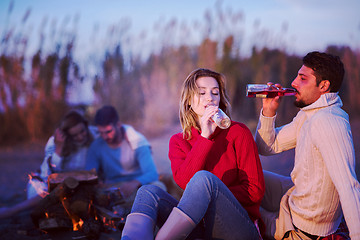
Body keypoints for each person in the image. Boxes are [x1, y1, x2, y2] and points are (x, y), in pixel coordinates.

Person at [121, 68, 265, 240]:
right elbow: (184, 181)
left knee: (204, 180)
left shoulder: (238, 132)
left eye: (215, 93)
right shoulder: (178, 141)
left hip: (238, 226)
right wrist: (205, 137)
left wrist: (212, 194)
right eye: (201, 92)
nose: (210, 97)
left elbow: (255, 191)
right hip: (199, 225)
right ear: (189, 100)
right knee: (147, 192)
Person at [255, 51, 360, 239]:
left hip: (301, 228)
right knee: (245, 176)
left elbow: (349, 187)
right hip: (295, 197)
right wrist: (268, 111)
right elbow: (268, 146)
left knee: (239, 205)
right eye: (297, 76)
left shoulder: (328, 122)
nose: (294, 82)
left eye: (303, 78)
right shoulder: (310, 113)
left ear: (324, 86)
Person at [0, 110, 97, 218]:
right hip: (45, 185)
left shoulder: (92, 135)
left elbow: (111, 127)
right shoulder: (54, 142)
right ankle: (12, 210)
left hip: (75, 186)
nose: (80, 137)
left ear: (86, 127)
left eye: (82, 132)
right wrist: (59, 148)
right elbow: (48, 173)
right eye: (75, 135)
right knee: (52, 193)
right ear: (67, 135)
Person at [85, 105, 162, 217]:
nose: (105, 137)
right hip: (112, 189)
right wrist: (97, 182)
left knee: (158, 187)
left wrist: (134, 183)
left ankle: (125, 211)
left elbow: (152, 173)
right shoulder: (96, 145)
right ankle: (126, 211)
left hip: (137, 186)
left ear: (118, 125)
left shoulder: (137, 141)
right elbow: (89, 174)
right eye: (101, 133)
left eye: (108, 131)